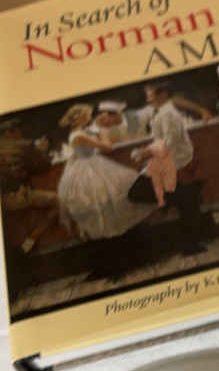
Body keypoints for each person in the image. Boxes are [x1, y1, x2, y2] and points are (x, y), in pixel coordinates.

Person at [57, 103, 155, 240]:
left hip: (92, 163)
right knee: (107, 197)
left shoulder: (80, 132)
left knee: (115, 194)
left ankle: (123, 230)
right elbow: (107, 147)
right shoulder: (79, 135)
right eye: (87, 116)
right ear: (80, 118)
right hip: (88, 167)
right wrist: (102, 131)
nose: (89, 118)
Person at [128, 82, 205, 254]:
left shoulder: (168, 114)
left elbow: (170, 142)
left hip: (172, 161)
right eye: (147, 95)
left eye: (150, 95)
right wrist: (147, 152)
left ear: (162, 95)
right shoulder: (160, 112)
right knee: (184, 202)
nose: (148, 99)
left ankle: (184, 198)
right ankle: (191, 243)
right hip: (165, 160)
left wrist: (145, 153)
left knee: (136, 192)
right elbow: (161, 139)